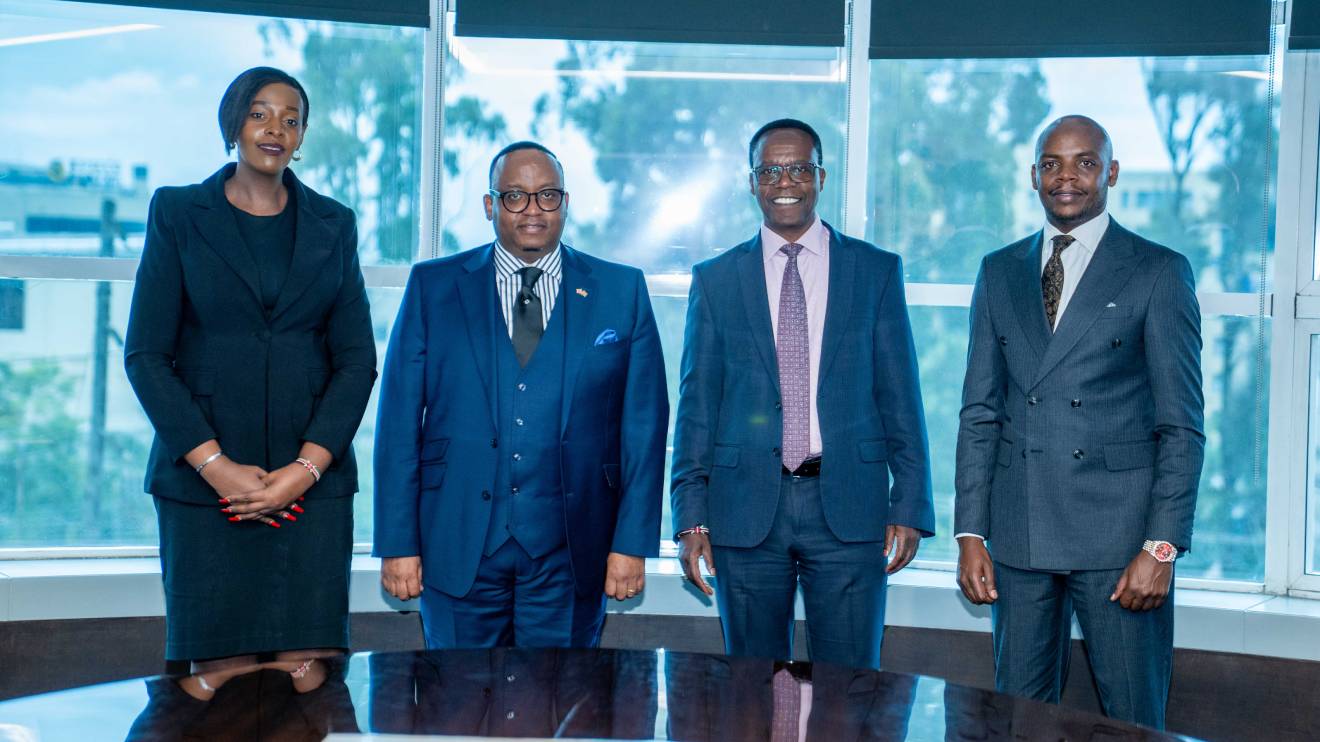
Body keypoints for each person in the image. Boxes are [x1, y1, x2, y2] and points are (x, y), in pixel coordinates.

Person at [953, 115, 1204, 729]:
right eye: (1051, 163)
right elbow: (981, 411)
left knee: (1132, 721)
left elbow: (1183, 425)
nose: (1067, 177)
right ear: (1033, 176)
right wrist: (970, 533)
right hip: (1019, 534)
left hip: (1120, 544)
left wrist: (1161, 547)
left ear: (1110, 172)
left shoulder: (1157, 270)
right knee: (1020, 719)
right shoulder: (999, 270)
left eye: (1084, 162)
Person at [124, 67, 377, 672]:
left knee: (308, 670)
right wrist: (217, 468)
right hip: (203, 490)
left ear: (302, 136)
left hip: (309, 492)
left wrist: (304, 470)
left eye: (292, 119)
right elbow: (146, 357)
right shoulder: (180, 212)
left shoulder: (334, 223)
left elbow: (357, 360)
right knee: (217, 676)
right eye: (260, 113)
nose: (276, 129)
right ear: (233, 122)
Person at [372, 141, 668, 648]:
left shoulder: (622, 290)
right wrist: (398, 543)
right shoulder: (433, 287)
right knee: (458, 711)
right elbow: (397, 422)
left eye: (547, 195)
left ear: (566, 203)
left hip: (573, 551)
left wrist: (632, 544)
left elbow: (643, 428)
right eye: (515, 196)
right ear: (490, 205)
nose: (533, 210)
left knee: (560, 713)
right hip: (457, 544)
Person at [670, 119, 934, 670]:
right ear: (752, 182)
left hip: (848, 506)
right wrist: (691, 516)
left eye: (797, 167)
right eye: (770, 169)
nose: (784, 180)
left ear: (820, 176)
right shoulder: (716, 279)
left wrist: (908, 503)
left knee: (850, 687)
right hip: (743, 511)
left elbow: (900, 396)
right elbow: (697, 407)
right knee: (751, 688)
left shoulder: (876, 271)